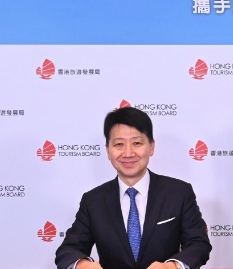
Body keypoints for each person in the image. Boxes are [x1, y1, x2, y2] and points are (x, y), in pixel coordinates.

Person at [56, 107, 212, 269]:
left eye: (137, 143)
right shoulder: (93, 201)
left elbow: (198, 243)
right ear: (108, 151)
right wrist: (84, 266)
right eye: (119, 144)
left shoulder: (179, 193)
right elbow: (68, 250)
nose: (128, 153)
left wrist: (172, 266)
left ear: (151, 147)